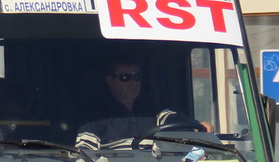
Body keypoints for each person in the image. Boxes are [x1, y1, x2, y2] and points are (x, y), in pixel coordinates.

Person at [76, 59, 206, 150]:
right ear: (110, 81)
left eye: (137, 77)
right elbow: (86, 154)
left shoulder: (151, 110)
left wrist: (198, 125)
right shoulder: (95, 116)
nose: (133, 82)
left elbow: (173, 119)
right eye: (125, 77)